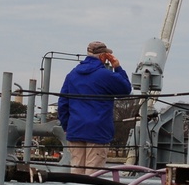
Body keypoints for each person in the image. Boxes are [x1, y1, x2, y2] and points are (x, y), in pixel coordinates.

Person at [57, 41, 133, 174]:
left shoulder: (72, 75)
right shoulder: (105, 75)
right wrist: (117, 67)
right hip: (98, 130)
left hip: (76, 129)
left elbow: (63, 104)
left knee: (76, 172)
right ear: (104, 56)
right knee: (93, 174)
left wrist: (67, 127)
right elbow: (125, 89)